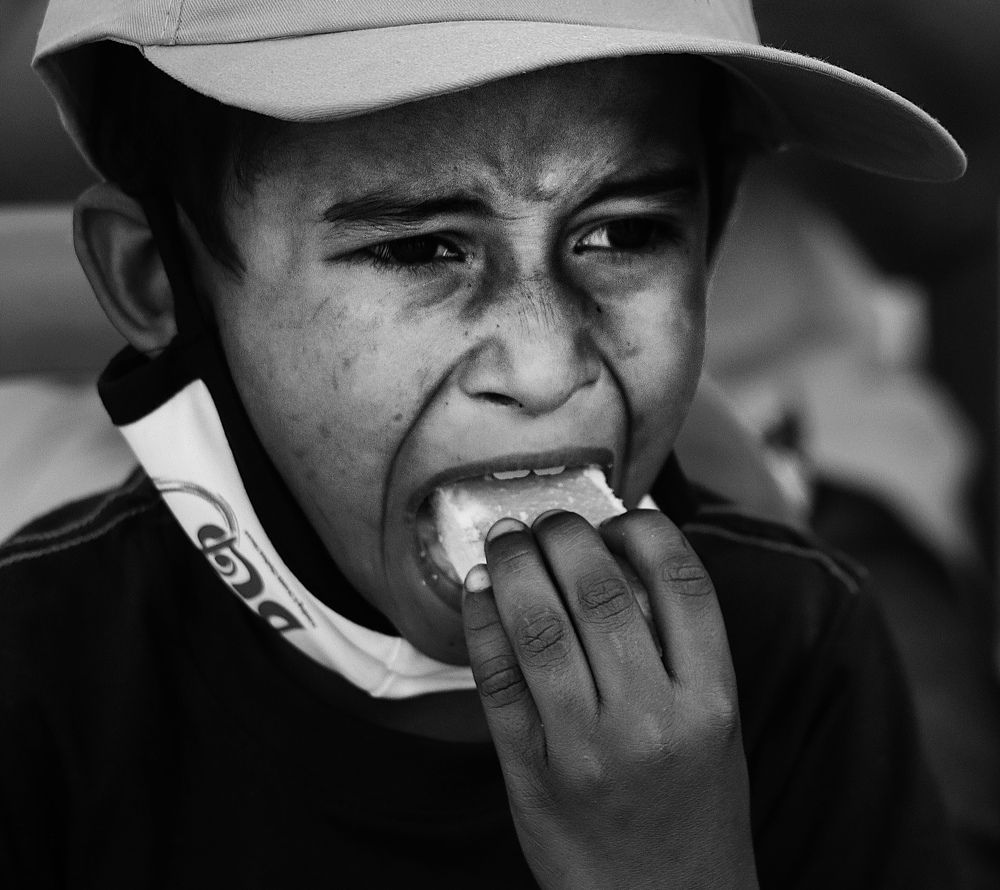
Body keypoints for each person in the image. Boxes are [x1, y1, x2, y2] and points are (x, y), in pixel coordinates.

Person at [0, 2, 968, 887]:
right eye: (419, 248)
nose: (547, 370)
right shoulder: (43, 674)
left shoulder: (799, 644)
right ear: (155, 280)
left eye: (623, 233)